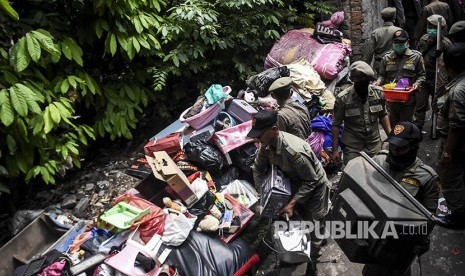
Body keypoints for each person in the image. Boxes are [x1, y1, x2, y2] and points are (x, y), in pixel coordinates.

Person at [249, 110, 330, 275]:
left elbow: (312, 181)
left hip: (314, 188)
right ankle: (303, 248)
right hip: (294, 183)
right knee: (296, 221)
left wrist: (292, 204)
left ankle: (313, 263)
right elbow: (257, 168)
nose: (257, 139)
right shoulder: (266, 145)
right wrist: (263, 194)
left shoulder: (294, 151)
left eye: (260, 134)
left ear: (274, 129)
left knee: (314, 228)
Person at [362, 121, 440, 276]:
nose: (395, 151)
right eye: (392, 146)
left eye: (401, 148)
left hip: (401, 242)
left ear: (414, 147)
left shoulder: (427, 178)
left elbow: (428, 217)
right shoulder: (377, 162)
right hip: (373, 234)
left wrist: (420, 240)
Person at [332, 61, 391, 165]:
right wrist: (335, 150)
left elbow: (383, 115)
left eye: (366, 81)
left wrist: (391, 137)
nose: (363, 84)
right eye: (360, 81)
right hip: (352, 147)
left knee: (377, 173)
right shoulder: (343, 98)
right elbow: (336, 124)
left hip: (374, 144)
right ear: (352, 80)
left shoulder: (378, 93)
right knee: (353, 174)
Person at [436, 43, 465, 229]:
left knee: (450, 178)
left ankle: (458, 216)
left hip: (455, 143)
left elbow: (457, 125)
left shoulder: (457, 91)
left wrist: (447, 152)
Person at [374, 29, 426, 128]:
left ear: (407, 42)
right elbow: (382, 75)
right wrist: (378, 82)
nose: (399, 44)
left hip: (408, 98)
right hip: (391, 99)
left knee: (406, 125)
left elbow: (422, 75)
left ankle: (407, 142)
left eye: (402, 42)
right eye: (396, 42)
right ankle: (394, 142)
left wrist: (417, 84)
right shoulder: (387, 58)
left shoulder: (416, 57)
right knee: (393, 125)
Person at [415, 15, 451, 131]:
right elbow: (419, 55)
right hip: (424, 77)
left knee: (437, 105)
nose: (430, 29)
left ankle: (436, 128)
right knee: (420, 104)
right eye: (429, 26)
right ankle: (418, 127)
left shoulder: (445, 44)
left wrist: (440, 54)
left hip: (437, 78)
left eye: (433, 27)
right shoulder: (424, 39)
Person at [363, 7, 402, 74]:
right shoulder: (398, 31)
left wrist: (365, 68)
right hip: (394, 63)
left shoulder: (375, 32)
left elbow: (368, 53)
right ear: (394, 17)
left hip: (379, 64)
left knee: (378, 83)